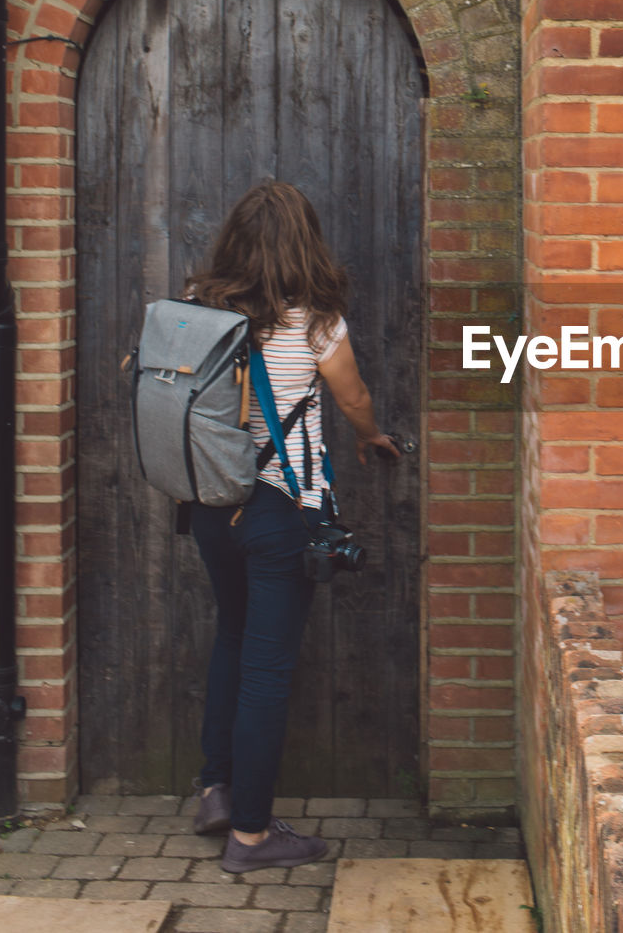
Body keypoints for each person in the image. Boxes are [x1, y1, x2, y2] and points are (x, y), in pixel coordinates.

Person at [183, 180, 401, 873]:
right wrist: (371, 437)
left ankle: (216, 790)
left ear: (235, 240)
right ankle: (250, 836)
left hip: (213, 505)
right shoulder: (317, 321)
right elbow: (354, 396)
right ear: (305, 241)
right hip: (279, 508)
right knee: (268, 670)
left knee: (233, 638)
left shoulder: (198, 308)